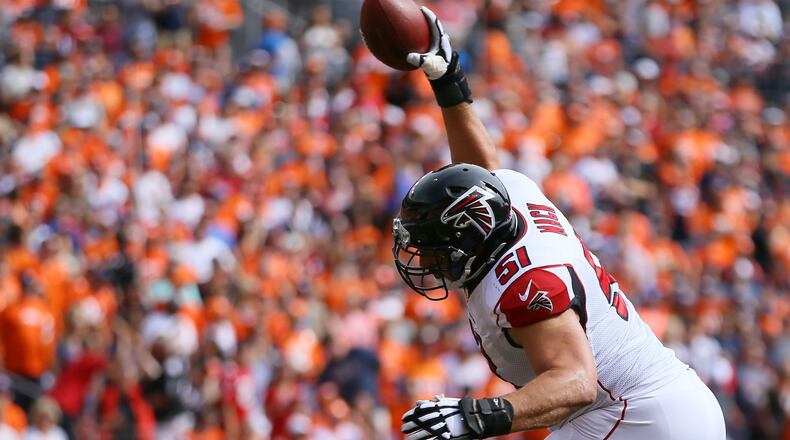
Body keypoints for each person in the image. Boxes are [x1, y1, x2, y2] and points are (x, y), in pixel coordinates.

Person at [393, 7, 726, 440]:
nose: (427, 259)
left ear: (467, 241)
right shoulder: (510, 201)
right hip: (645, 408)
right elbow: (481, 169)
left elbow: (575, 383)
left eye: (434, 245)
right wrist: (449, 81)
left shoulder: (525, 280)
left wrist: (471, 416)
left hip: (641, 414)